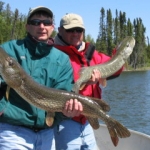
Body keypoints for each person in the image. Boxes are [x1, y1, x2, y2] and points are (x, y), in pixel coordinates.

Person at [0, 6, 81, 150]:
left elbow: (64, 93)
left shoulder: (61, 59)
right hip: (12, 132)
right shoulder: (10, 50)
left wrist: (67, 112)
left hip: (47, 134)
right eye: (36, 22)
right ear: (27, 26)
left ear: (52, 27)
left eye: (47, 22)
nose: (42, 26)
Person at [54, 13, 124, 150]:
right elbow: (55, 87)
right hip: (65, 122)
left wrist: (120, 54)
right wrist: (85, 83)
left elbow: (115, 69)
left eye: (79, 30)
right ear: (60, 30)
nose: (75, 33)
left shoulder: (90, 53)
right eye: (70, 30)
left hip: (87, 121)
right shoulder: (54, 55)